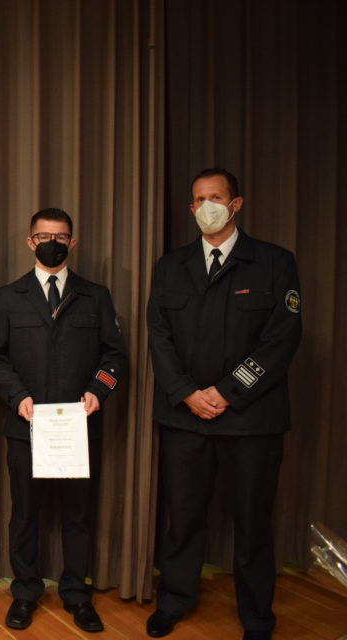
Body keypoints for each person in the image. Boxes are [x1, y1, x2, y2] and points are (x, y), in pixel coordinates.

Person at [146, 168, 302, 640]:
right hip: (185, 418)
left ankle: (257, 616)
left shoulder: (273, 262)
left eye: (216, 197)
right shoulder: (171, 265)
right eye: (199, 199)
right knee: (182, 519)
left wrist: (227, 392)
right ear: (191, 208)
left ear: (236, 205)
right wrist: (187, 393)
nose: (206, 206)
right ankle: (174, 600)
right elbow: (159, 337)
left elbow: (281, 340)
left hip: (251, 421)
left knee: (253, 524)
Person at [0, 208, 128, 633]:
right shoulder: (8, 297)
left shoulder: (95, 295)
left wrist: (98, 391)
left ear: (72, 243)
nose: (53, 243)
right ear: (30, 242)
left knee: (78, 516)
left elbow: (115, 355)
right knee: (25, 514)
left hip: (77, 430)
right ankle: (25, 593)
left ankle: (77, 595)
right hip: (25, 427)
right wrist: (18, 397)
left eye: (61, 237)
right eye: (44, 236)